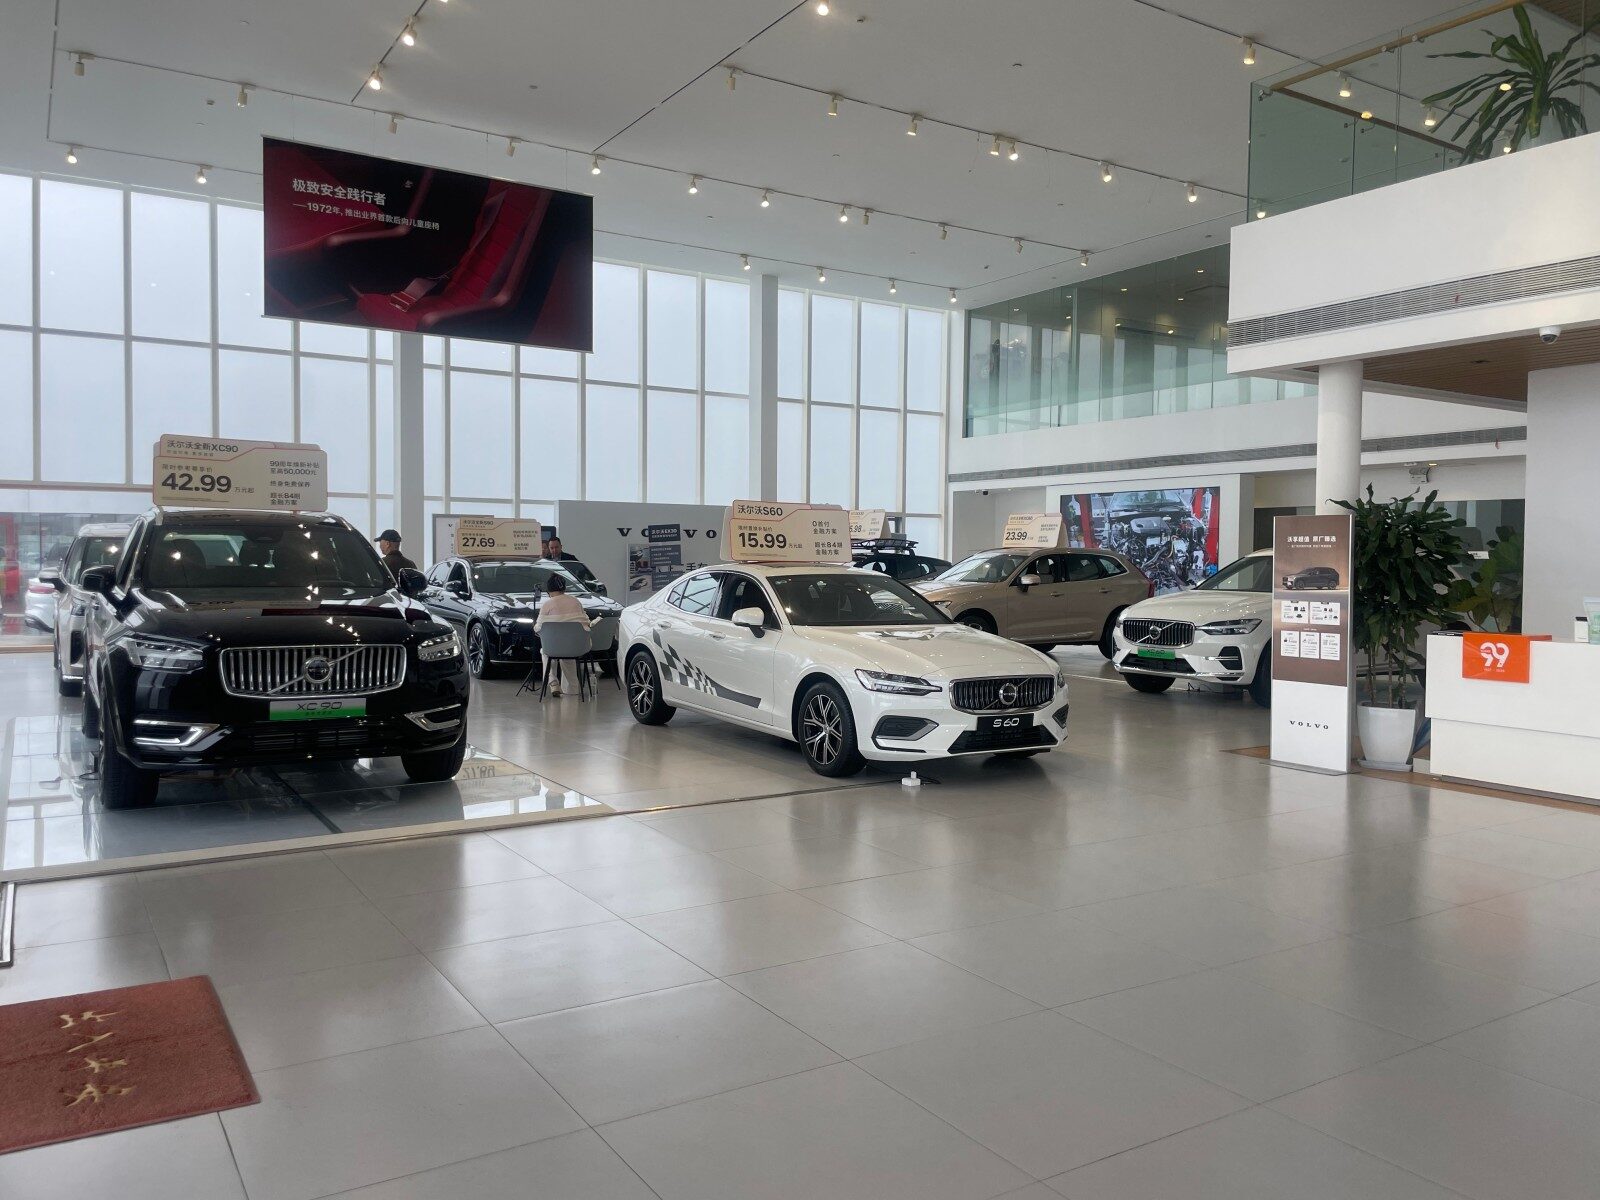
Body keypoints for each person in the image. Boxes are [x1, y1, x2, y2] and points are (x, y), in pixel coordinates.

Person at [534, 574, 590, 697]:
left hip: (554, 648)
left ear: (549, 590)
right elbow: (586, 623)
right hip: (575, 647)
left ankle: (553, 683)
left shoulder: (547, 604)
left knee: (545, 651)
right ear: (564, 588)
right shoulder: (576, 602)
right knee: (567, 654)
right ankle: (572, 688)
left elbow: (538, 628)